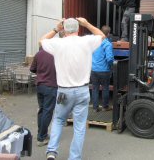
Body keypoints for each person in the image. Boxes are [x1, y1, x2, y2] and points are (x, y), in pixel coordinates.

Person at [41, 18, 105, 160]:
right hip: (82, 91)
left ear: (64, 29)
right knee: (79, 127)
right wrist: (87, 23)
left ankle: (51, 152)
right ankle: (74, 157)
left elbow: (42, 41)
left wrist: (56, 29)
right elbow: (102, 35)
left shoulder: (58, 43)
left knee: (58, 120)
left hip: (64, 91)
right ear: (78, 29)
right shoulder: (86, 42)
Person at [30, 47, 58, 147]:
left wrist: (41, 73)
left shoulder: (38, 54)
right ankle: (41, 137)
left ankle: (41, 133)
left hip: (40, 85)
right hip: (51, 86)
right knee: (48, 111)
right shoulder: (56, 55)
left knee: (42, 110)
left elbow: (32, 69)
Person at [91, 25, 114, 112]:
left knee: (95, 89)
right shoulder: (107, 44)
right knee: (105, 88)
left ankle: (95, 108)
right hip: (104, 71)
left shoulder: (95, 43)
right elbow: (109, 59)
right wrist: (112, 67)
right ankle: (105, 107)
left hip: (94, 70)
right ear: (108, 34)